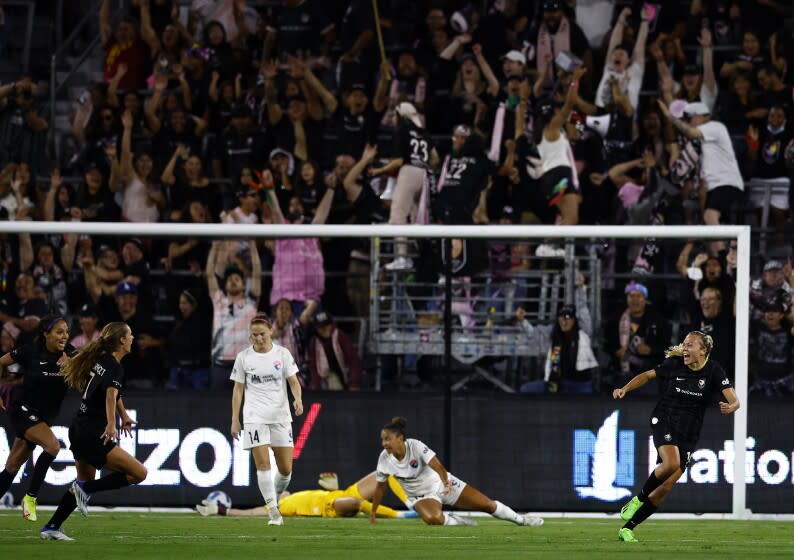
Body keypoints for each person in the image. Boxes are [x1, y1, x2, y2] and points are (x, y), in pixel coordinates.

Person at [612, 331, 739, 543]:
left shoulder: (714, 371)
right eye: (684, 344)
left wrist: (731, 406)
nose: (685, 349)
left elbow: (735, 400)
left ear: (703, 350)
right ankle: (637, 499)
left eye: (690, 345)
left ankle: (628, 528)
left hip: (689, 433)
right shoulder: (675, 364)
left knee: (665, 487)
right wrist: (625, 388)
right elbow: (647, 375)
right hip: (664, 419)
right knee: (671, 463)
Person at [40, 322, 147, 541]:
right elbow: (109, 395)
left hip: (79, 427)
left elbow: (113, 394)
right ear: (122, 340)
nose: (133, 338)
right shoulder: (116, 366)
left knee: (82, 481)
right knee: (139, 473)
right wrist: (111, 423)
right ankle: (86, 491)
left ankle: (52, 526)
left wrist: (124, 415)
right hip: (93, 433)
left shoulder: (102, 360)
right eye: (130, 334)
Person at [369, 417, 544, 527]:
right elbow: (380, 488)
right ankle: (456, 522)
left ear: (400, 438)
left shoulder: (416, 446)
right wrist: (373, 511)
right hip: (421, 497)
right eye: (382, 440)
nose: (384, 443)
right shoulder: (384, 459)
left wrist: (446, 483)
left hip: (442, 483)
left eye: (387, 439)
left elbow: (438, 467)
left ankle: (522, 520)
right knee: (433, 520)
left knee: (487, 505)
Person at [230, 313, 303, 526]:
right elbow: (238, 390)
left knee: (285, 470)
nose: (259, 339)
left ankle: (274, 498)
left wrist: (297, 399)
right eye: (254, 336)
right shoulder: (244, 357)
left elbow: (294, 382)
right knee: (263, 465)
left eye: (262, 334)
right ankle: (273, 512)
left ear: (270, 331)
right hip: (254, 417)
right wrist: (235, 419)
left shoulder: (283, 354)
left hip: (280, 416)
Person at [0, 315, 74, 522]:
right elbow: (0, 363)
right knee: (52, 446)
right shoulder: (30, 352)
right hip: (23, 410)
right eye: (59, 332)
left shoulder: (70, 355)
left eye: (67, 332)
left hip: (44, 417)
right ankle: (31, 498)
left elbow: (87, 377)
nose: (64, 336)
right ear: (46, 334)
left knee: (12, 466)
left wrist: (73, 366)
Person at [196, 471, 413, 519]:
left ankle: (411, 504)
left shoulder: (290, 496)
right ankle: (401, 515)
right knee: (356, 503)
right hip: (331, 508)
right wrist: (221, 510)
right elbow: (249, 514)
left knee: (385, 472)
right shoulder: (279, 507)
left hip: (338, 495)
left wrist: (332, 487)